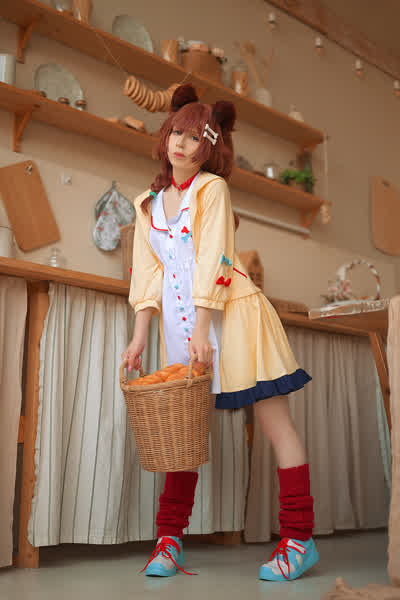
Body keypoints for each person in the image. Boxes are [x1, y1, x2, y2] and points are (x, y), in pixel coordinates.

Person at [123, 84, 319, 581]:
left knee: (276, 425)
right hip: (182, 326)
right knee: (181, 435)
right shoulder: (146, 203)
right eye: (176, 132)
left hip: (235, 319)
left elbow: (215, 258)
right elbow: (147, 274)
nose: (181, 143)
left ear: (208, 147)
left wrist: (203, 329)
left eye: (194, 137)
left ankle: (299, 539)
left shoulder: (212, 190)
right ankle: (169, 540)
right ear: (165, 135)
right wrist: (140, 336)